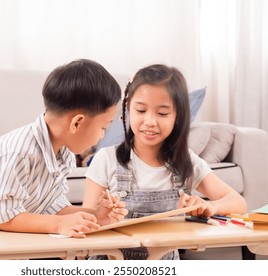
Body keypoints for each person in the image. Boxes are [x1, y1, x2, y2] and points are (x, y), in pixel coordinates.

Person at [0, 59, 128, 238]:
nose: (102, 135)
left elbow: (51, 207)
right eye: (103, 127)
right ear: (76, 123)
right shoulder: (19, 150)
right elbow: (5, 217)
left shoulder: (63, 153)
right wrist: (59, 225)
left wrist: (94, 216)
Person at [83, 64, 247, 259]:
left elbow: (238, 202)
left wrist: (210, 207)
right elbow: (85, 224)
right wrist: (101, 216)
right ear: (127, 109)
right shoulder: (107, 159)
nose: (150, 121)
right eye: (141, 110)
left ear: (177, 116)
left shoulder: (186, 162)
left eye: (162, 114)